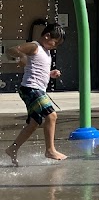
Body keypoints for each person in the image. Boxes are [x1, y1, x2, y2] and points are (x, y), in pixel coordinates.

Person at [5, 23, 67, 166]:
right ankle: (50, 150)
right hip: (31, 89)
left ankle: (12, 149)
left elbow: (37, 69)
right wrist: (21, 56)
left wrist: (51, 73)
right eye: (55, 42)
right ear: (47, 36)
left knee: (34, 123)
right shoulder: (34, 46)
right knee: (51, 116)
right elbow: (11, 50)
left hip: (34, 89)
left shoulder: (46, 51)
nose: (55, 46)